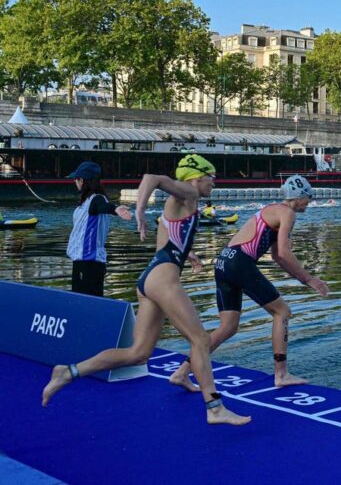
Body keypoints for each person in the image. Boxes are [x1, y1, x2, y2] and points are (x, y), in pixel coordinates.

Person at [42, 154, 250, 426]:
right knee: (200, 340)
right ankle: (214, 407)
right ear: (197, 177)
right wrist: (139, 210)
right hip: (163, 279)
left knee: (138, 353)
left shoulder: (182, 203)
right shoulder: (187, 191)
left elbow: (168, 241)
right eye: (212, 178)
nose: (214, 183)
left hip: (150, 277)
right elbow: (152, 178)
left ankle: (68, 372)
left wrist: (189, 255)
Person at [168, 175, 329, 389]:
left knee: (227, 327)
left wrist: (303, 279)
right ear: (298, 197)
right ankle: (281, 374)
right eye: (308, 197)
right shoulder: (287, 213)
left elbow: (277, 257)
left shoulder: (272, 210)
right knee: (282, 312)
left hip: (223, 262)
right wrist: (309, 279)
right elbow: (283, 252)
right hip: (239, 263)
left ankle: (182, 372)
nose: (309, 202)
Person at [66, 161, 132, 297]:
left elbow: (102, 206)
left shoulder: (96, 199)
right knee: (80, 301)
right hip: (81, 261)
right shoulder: (85, 202)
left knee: (88, 302)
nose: (74, 182)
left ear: (82, 180)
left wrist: (115, 209)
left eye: (76, 179)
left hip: (89, 262)